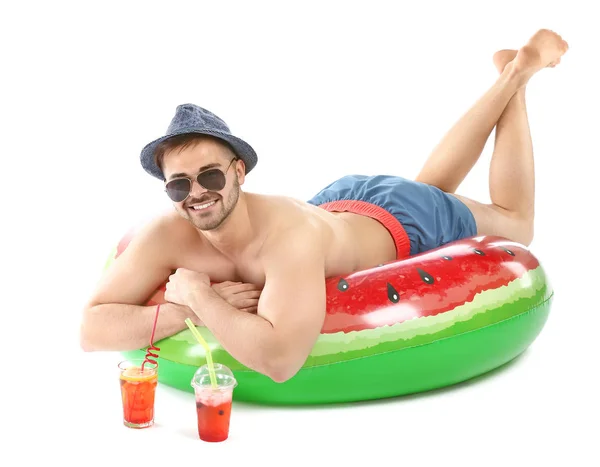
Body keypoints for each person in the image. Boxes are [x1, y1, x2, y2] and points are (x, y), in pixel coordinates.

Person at [80, 29, 568, 383]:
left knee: (515, 222)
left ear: (238, 172)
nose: (196, 193)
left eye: (209, 175)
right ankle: (511, 72)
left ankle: (518, 76)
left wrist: (201, 297)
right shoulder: (166, 232)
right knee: (429, 184)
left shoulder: (286, 240)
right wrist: (187, 309)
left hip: (398, 221)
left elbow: (280, 361)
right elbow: (91, 328)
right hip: (338, 205)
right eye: (178, 185)